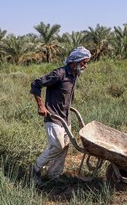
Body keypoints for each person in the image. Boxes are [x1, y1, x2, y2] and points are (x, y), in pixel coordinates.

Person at [29, 46, 91, 185]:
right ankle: (35, 169)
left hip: (65, 117)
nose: (85, 66)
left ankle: (53, 175)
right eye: (84, 62)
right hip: (53, 117)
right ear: (75, 61)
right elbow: (36, 84)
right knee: (57, 145)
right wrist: (41, 105)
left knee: (64, 147)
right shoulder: (60, 73)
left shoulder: (74, 74)